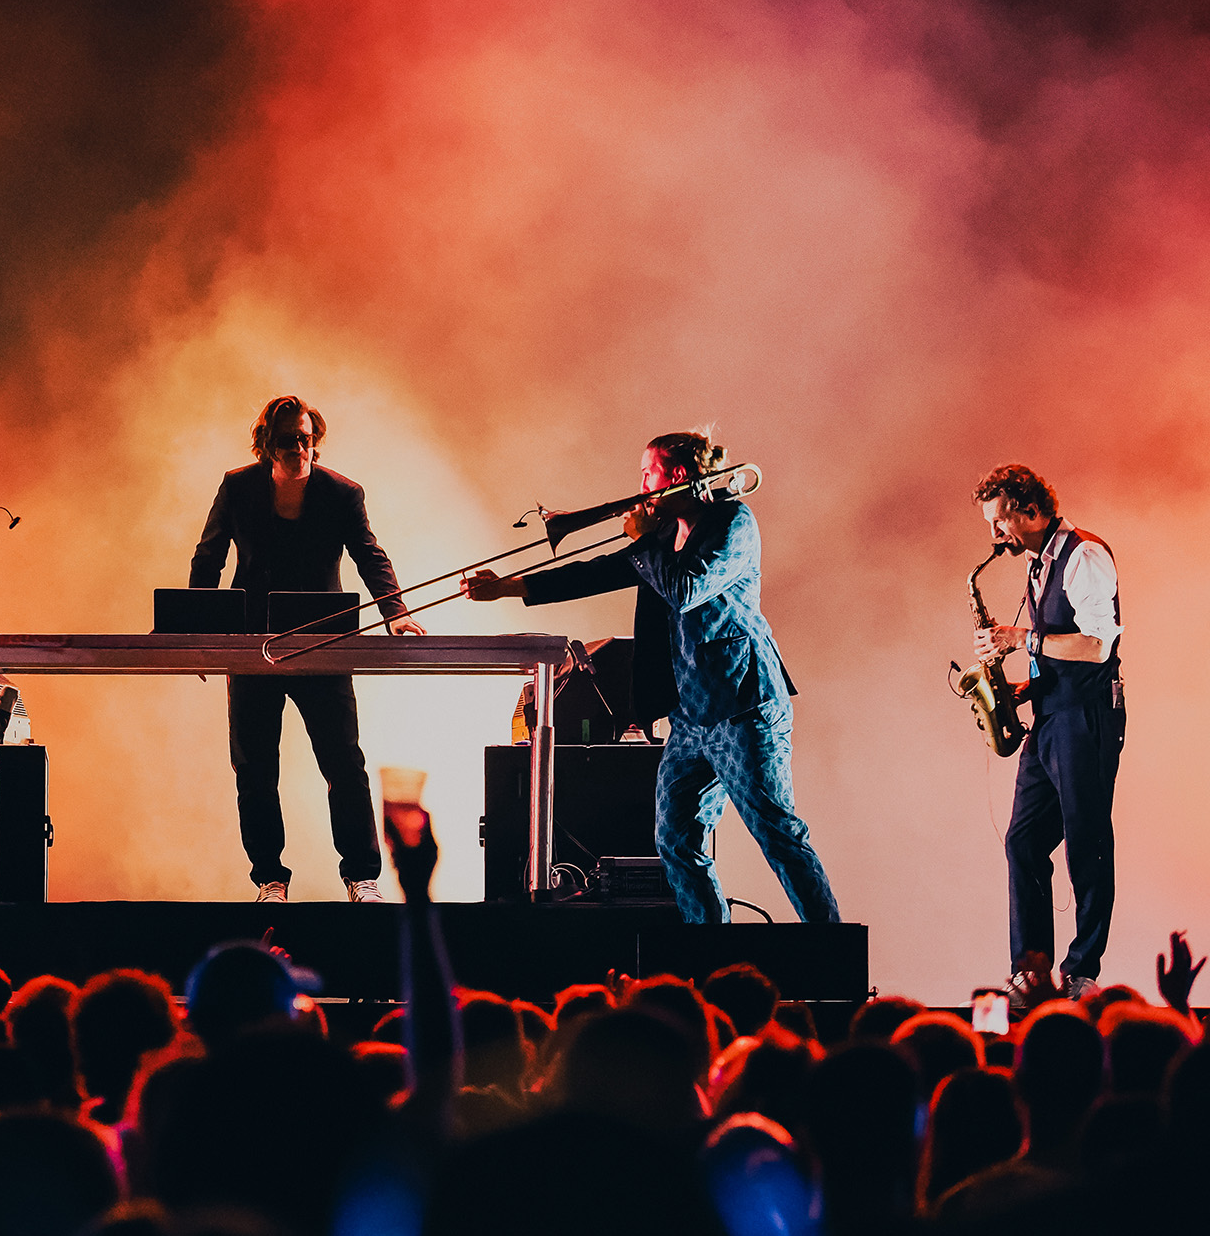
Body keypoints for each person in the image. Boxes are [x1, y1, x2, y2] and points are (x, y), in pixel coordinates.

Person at [464, 431, 839, 925]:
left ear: (677, 475)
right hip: (689, 715)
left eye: (648, 473)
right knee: (676, 841)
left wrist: (641, 539)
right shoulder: (662, 538)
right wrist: (508, 587)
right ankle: (709, 950)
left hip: (743, 703)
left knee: (777, 832)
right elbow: (595, 573)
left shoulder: (733, 522)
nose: (641, 486)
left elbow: (687, 589)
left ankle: (831, 946)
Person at [190, 395, 423, 902]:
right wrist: (198, 635)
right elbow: (208, 558)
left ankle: (361, 876)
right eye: (287, 440)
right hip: (253, 647)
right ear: (266, 445)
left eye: (305, 438)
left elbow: (370, 554)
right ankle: (270, 878)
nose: (298, 448)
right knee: (254, 770)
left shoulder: (342, 493)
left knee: (344, 764)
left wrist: (396, 613)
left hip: (324, 646)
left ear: (315, 439)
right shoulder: (238, 487)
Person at [971, 463, 1123, 1002]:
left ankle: (1082, 972)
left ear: (1031, 510)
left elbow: (1097, 646)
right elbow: (1058, 650)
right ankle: (1031, 971)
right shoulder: (1039, 563)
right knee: (1024, 841)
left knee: (1086, 842)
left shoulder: (1085, 556)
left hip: (1086, 717)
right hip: (1052, 715)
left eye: (1000, 521)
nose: (995, 534)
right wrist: (1021, 689)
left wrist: (1022, 639)